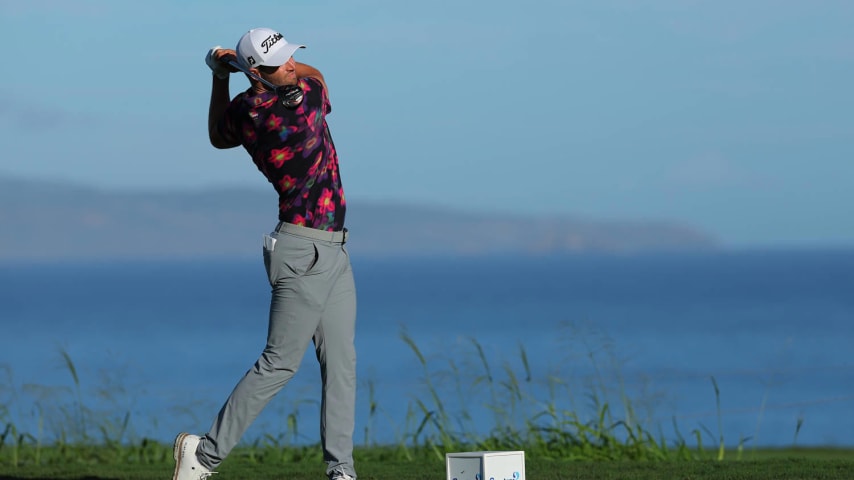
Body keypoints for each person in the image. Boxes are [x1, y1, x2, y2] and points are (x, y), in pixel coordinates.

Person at [172, 27, 357, 480]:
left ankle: (341, 470)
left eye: (291, 57)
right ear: (259, 70)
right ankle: (204, 456)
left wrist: (223, 76)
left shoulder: (247, 110)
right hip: (305, 249)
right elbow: (317, 76)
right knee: (280, 361)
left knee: (342, 362)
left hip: (330, 248)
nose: (292, 66)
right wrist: (239, 68)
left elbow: (218, 135)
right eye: (280, 64)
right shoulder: (306, 100)